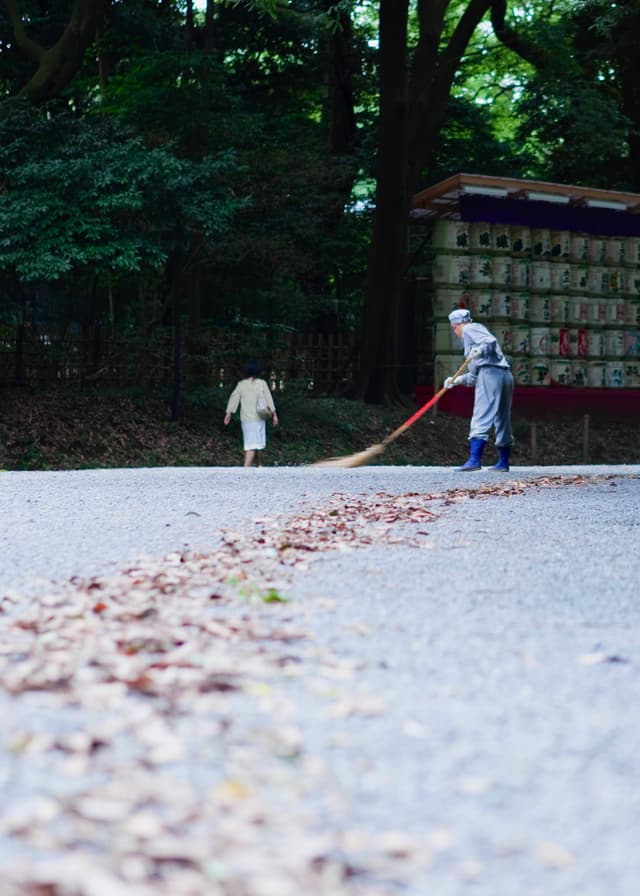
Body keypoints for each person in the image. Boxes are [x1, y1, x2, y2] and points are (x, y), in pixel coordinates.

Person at [444, 308, 514, 472]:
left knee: (482, 413)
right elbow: (475, 376)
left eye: (454, 328)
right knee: (503, 418)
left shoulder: (470, 329)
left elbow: (489, 343)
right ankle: (503, 462)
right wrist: (457, 380)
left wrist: (480, 350)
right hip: (504, 374)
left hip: (490, 374)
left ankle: (474, 460)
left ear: (455, 326)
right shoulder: (474, 335)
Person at [224, 360, 279, 467]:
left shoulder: (241, 384)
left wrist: (228, 413)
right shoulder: (262, 383)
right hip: (258, 418)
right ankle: (246, 469)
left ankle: (259, 466)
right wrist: (274, 414)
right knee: (253, 444)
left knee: (252, 443)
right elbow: (269, 399)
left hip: (245, 419)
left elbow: (234, 398)